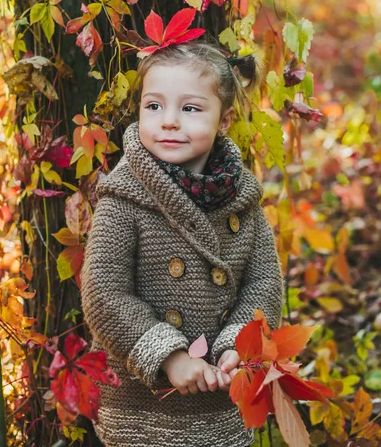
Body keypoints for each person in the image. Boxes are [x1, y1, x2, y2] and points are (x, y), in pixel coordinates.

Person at [81, 40, 284, 447]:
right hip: (143, 403)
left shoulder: (240, 199)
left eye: (190, 108)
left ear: (224, 120)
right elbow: (103, 292)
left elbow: (263, 284)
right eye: (154, 106)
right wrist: (168, 356)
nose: (169, 121)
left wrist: (237, 346)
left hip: (219, 396)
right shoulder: (125, 198)